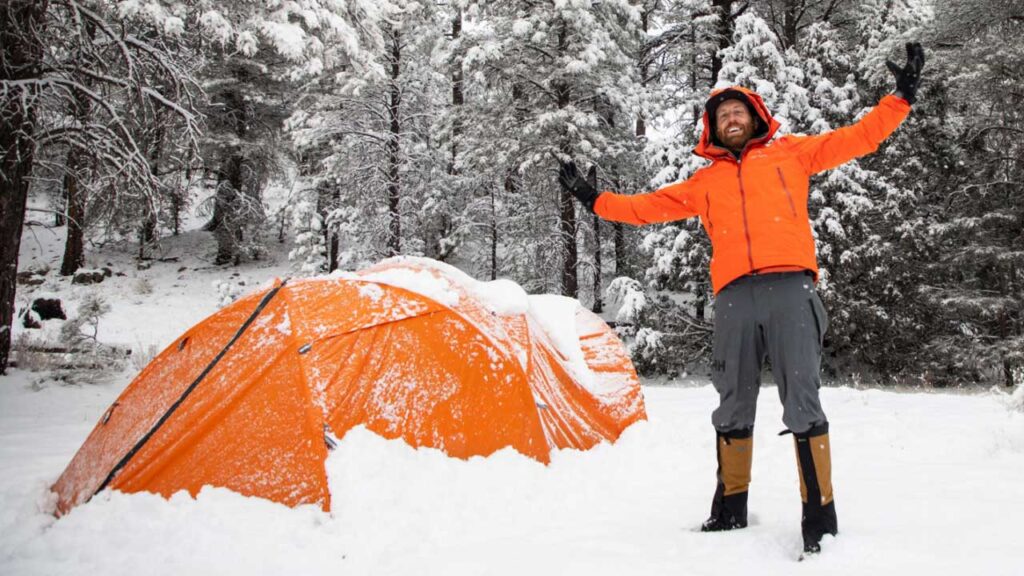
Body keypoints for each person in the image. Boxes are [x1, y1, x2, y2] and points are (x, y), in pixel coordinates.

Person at [559, 43, 925, 555]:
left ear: (756, 118)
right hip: (733, 296)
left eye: (739, 112)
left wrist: (901, 97)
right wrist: (592, 199)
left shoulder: (792, 152)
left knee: (802, 397)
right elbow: (646, 208)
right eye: (722, 115)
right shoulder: (704, 181)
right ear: (712, 128)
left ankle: (818, 517)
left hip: (790, 290)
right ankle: (730, 507)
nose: (731, 119)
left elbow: (859, 138)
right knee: (732, 399)